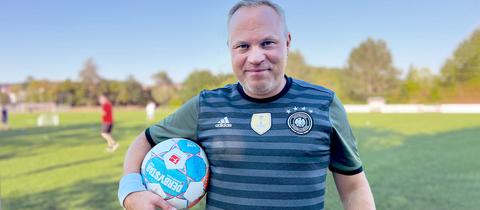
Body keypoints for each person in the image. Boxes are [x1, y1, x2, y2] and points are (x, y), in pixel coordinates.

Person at [118, 0, 375, 209]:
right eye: (243, 46)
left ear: (287, 43)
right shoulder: (206, 105)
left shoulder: (324, 103)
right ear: (230, 48)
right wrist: (130, 192)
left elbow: (353, 188)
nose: (255, 57)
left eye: (267, 43)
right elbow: (144, 141)